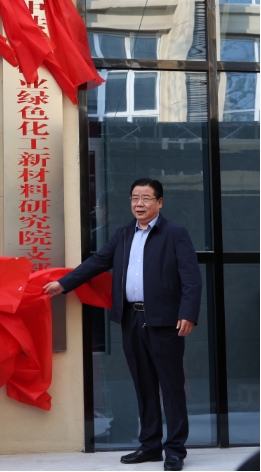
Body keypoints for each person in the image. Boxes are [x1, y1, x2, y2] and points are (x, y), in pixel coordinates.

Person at [44, 178, 202, 472]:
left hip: (165, 322)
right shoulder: (123, 234)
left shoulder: (175, 234)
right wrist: (63, 284)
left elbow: (191, 278)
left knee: (171, 387)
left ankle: (175, 450)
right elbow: (97, 263)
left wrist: (188, 314)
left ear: (159, 202)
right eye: (134, 198)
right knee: (143, 385)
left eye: (146, 198)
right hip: (132, 319)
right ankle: (150, 446)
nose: (139, 204)